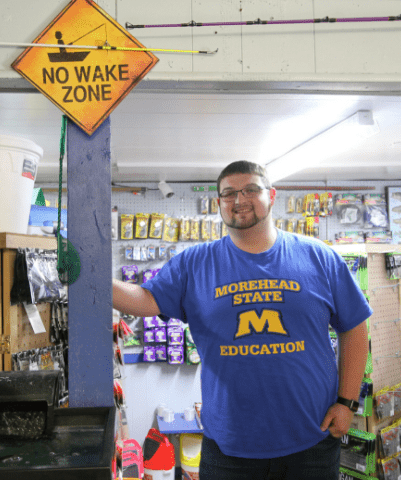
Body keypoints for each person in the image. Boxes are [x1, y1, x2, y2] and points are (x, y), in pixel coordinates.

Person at [112, 160, 371, 479]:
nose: (239, 199)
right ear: (218, 202)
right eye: (228, 193)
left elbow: (355, 327)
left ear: (272, 195)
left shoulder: (319, 256)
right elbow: (146, 300)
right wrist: (89, 277)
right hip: (230, 447)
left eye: (251, 189)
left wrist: (347, 402)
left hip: (312, 439)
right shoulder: (195, 263)